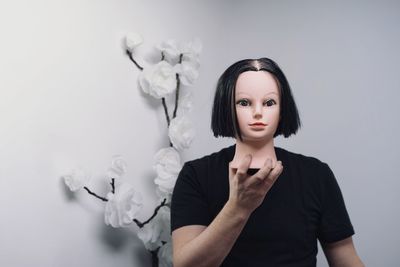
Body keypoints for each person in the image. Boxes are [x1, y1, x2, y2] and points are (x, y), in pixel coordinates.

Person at [170, 58, 364, 267]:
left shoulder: (316, 174)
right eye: (244, 102)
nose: (258, 112)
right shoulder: (196, 175)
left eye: (269, 102)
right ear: (226, 107)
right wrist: (238, 208)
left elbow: (346, 259)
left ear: (283, 109)